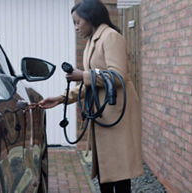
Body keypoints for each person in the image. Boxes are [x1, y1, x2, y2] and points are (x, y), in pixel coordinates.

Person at [38, 0, 143, 192]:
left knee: (118, 175)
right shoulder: (93, 40)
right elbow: (90, 84)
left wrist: (82, 75)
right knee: (106, 172)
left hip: (117, 115)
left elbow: (119, 76)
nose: (76, 28)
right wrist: (60, 98)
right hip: (105, 114)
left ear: (90, 17)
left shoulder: (111, 37)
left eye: (78, 22)